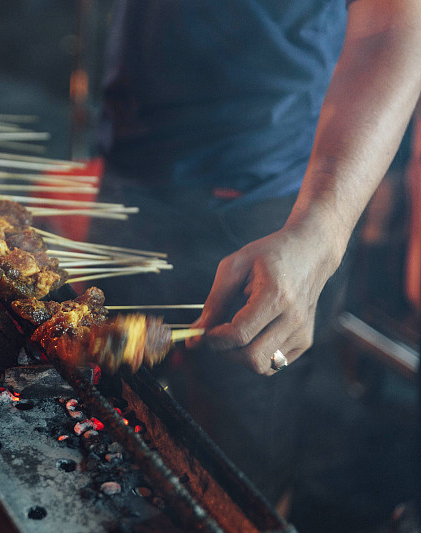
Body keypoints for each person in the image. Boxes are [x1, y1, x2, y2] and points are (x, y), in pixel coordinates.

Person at [89, 0, 421, 517]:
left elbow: (393, 27)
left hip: (267, 206)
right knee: (99, 419)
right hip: (129, 168)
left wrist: (322, 230)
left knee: (238, 475)